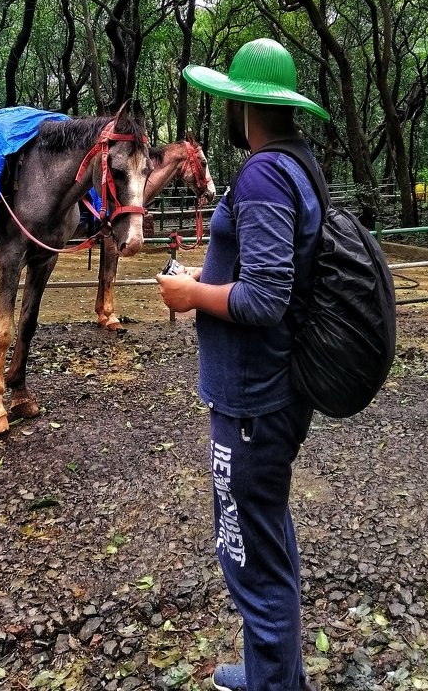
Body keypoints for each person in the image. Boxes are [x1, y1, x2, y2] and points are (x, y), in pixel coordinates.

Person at [156, 37, 330, 691]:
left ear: (243, 107)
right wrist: (207, 278)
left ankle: (274, 687)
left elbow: (263, 297)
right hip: (277, 389)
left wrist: (190, 293)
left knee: (248, 555)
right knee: (264, 534)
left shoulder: (261, 174)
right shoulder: (297, 164)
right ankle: (269, 672)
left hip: (253, 400)